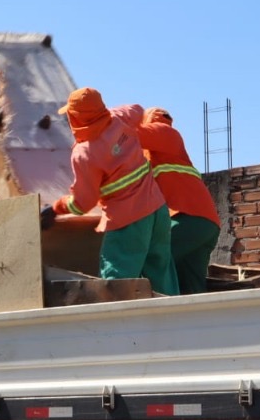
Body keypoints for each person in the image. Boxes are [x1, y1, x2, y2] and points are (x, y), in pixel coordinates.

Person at [45, 87, 178, 295]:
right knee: (161, 273)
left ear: (74, 117)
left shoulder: (85, 153)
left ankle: (117, 326)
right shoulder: (120, 119)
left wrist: (55, 208)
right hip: (158, 210)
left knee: (118, 281)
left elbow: (82, 204)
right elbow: (137, 109)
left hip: (128, 219)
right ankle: (174, 322)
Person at [137, 107, 220, 294]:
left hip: (187, 218)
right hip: (204, 223)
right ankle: (193, 321)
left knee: (152, 257)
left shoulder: (165, 133)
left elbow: (131, 135)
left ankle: (161, 315)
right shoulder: (156, 153)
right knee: (190, 282)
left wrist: (100, 127)